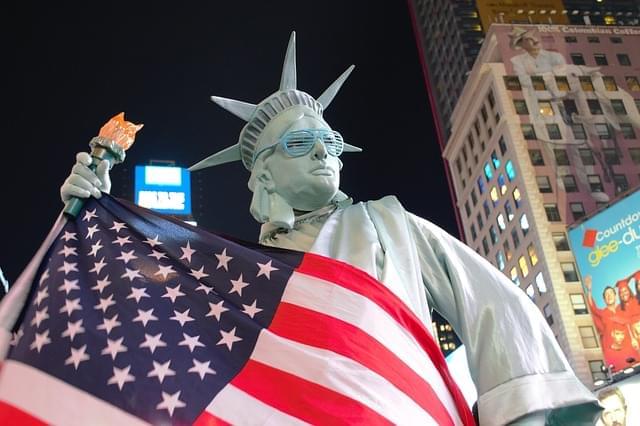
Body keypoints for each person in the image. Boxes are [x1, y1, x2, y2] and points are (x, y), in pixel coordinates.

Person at [60, 32, 600, 425]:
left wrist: (521, 411)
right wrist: (90, 210)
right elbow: (145, 321)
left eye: (331, 142)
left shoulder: (391, 225)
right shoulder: (240, 270)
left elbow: (496, 306)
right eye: (300, 143)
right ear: (263, 170)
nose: (322, 151)